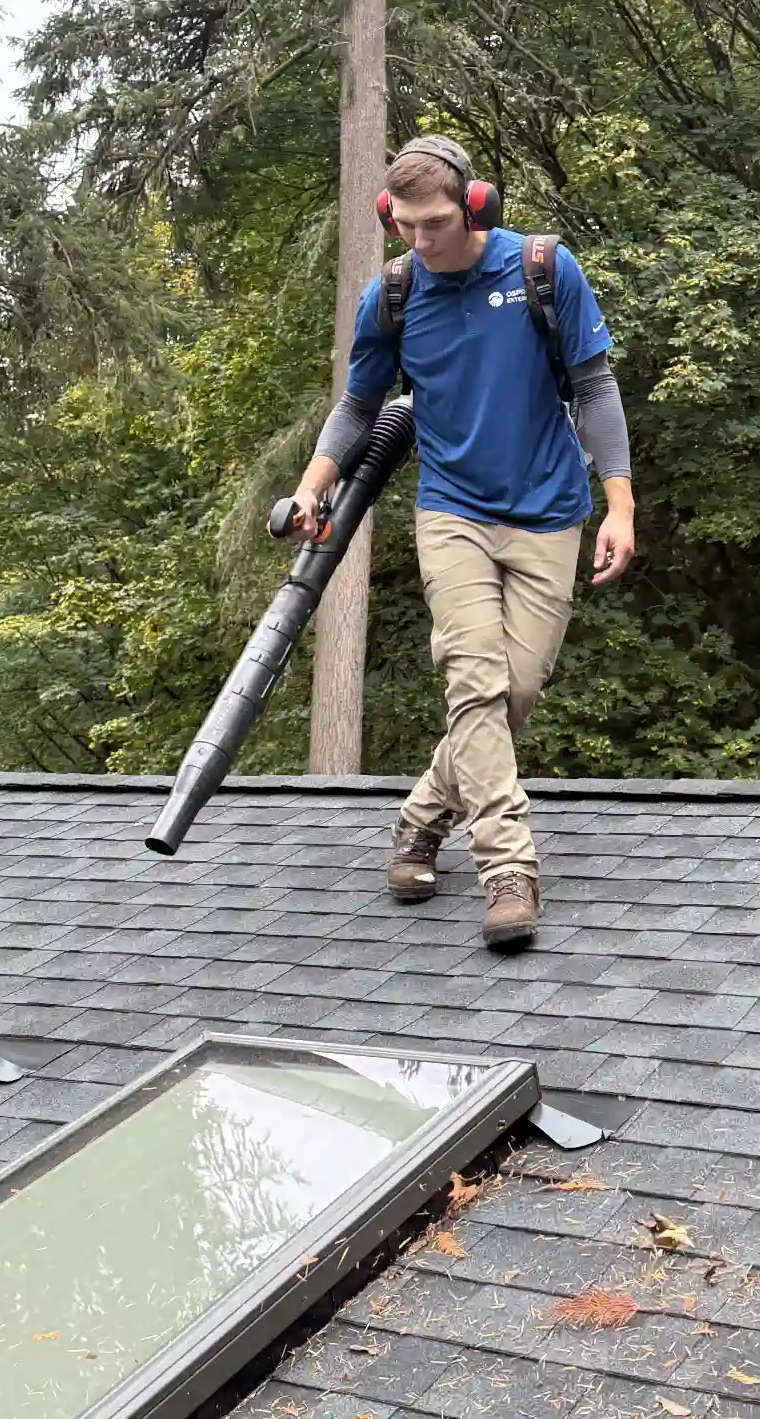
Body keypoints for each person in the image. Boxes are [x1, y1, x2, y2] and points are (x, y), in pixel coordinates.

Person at [283, 135, 634, 948]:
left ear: (475, 206)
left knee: (514, 694)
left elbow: (595, 388)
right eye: (403, 224)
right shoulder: (394, 295)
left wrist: (620, 507)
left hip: (550, 511)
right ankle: (509, 869)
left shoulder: (544, 269)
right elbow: (358, 404)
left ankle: (420, 818)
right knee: (473, 681)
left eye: (435, 222)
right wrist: (312, 485)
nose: (419, 239)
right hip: (452, 514)